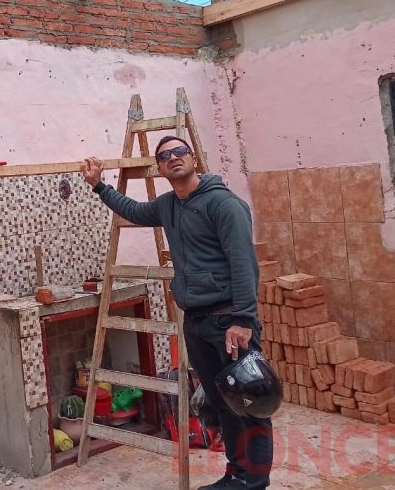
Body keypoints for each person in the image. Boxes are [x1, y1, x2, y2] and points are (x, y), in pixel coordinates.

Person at [81, 136, 273, 490]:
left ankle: (255, 483)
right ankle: (236, 474)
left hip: (229, 320)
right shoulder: (169, 205)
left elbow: (244, 264)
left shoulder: (223, 204)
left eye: (179, 151)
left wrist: (244, 319)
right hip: (197, 322)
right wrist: (99, 186)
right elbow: (134, 211)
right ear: (160, 167)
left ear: (194, 158)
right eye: (165, 155)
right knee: (223, 404)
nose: (173, 158)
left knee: (250, 402)